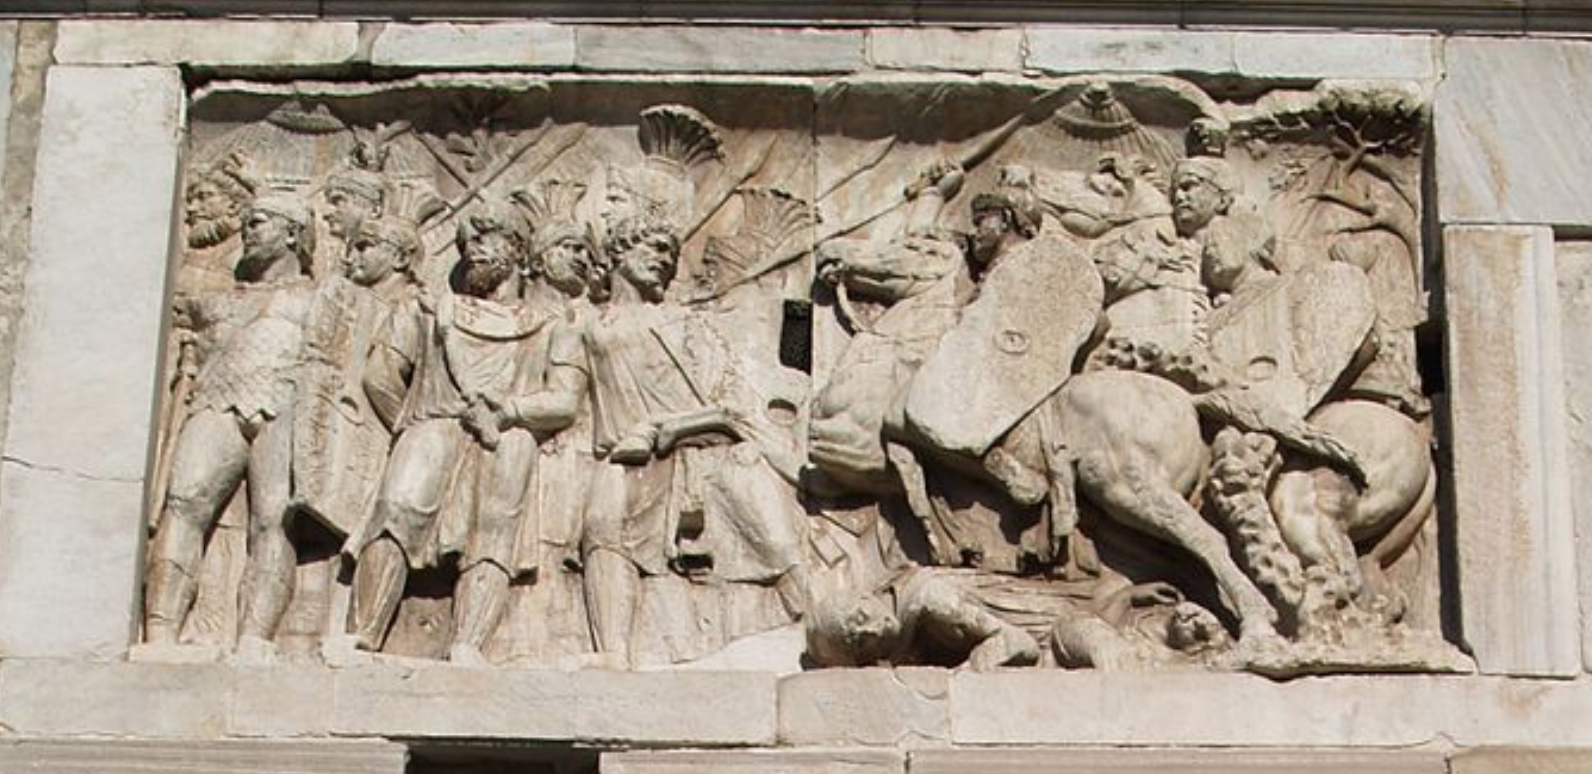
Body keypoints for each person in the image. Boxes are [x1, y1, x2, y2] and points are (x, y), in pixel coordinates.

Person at [344, 202, 586, 664]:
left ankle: (468, 646)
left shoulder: (552, 323)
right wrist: (418, 422)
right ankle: (364, 633)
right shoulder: (431, 308)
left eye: (486, 238)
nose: (472, 250)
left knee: (494, 534)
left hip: (509, 434)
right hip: (433, 424)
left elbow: (566, 399)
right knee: (397, 508)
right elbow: (380, 375)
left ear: (517, 249)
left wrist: (510, 411)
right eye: (466, 243)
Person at [144, 192, 318, 660]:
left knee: (273, 521)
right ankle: (160, 634)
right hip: (218, 400)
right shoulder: (218, 299)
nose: (249, 231)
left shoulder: (320, 298)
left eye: (259, 222)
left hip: (284, 406)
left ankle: (254, 640)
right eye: (246, 223)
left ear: (292, 234)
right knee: (183, 502)